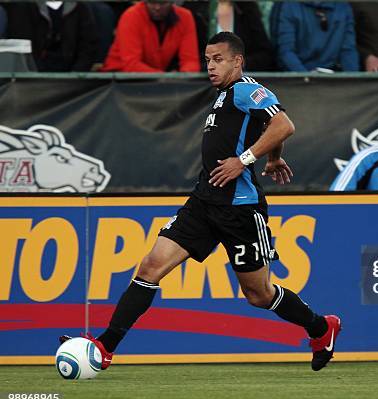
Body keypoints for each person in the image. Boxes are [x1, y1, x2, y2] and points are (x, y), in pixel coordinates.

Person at [61, 32, 341, 372]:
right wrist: (272, 158)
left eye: (218, 59)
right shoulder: (224, 96)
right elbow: (267, 127)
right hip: (204, 201)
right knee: (151, 266)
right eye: (208, 59)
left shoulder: (245, 89)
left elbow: (283, 123)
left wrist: (247, 160)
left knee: (259, 294)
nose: (210, 66)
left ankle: (321, 327)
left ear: (237, 61)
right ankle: (104, 347)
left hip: (239, 209)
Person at [102, 0, 200, 72]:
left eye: (163, 3)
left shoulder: (185, 17)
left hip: (156, 79)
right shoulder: (131, 16)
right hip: (119, 78)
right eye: (152, 2)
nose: (157, 7)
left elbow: (191, 60)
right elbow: (131, 64)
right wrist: (167, 77)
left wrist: (184, 76)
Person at [5, 1, 98, 71]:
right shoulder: (23, 7)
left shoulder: (81, 8)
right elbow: (21, 45)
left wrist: (77, 73)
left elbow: (88, 45)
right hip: (34, 75)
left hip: (72, 74)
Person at [273, 1, 359, 72]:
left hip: (332, 75)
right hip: (298, 78)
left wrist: (353, 80)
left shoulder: (343, 7)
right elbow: (286, 51)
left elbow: (348, 51)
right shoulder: (289, 6)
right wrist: (306, 77)